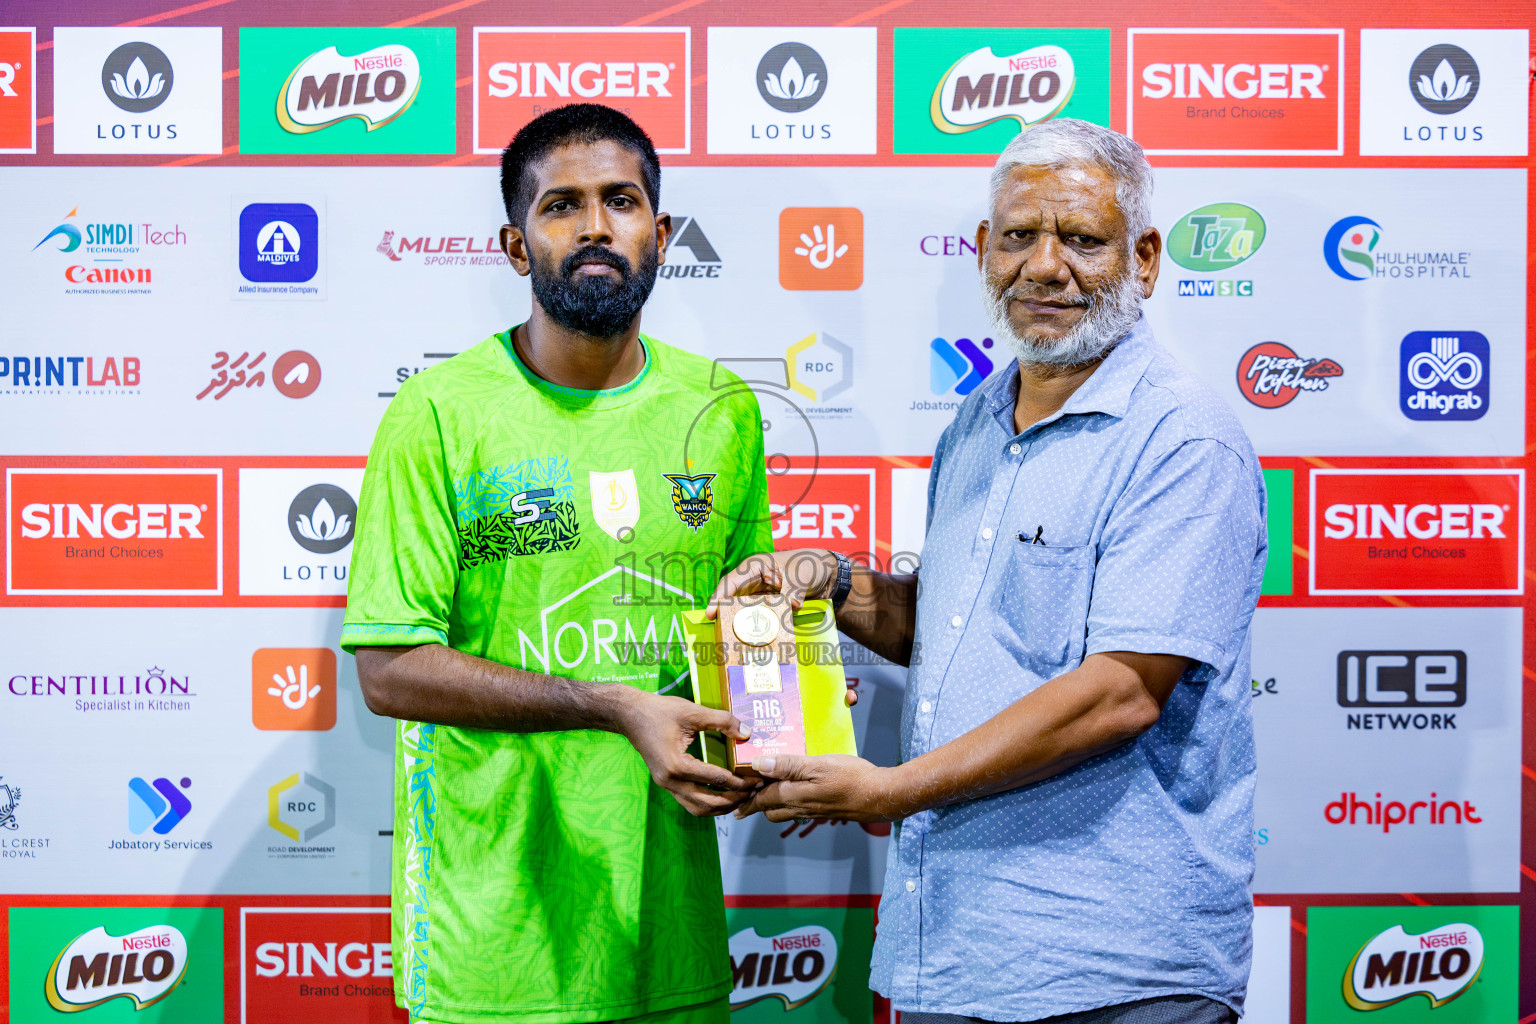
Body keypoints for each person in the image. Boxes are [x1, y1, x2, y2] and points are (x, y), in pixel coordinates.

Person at [712, 119, 1267, 1023]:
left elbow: (1122, 689)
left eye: (1083, 240)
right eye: (1019, 236)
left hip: (1114, 968)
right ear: (983, 251)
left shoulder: (1180, 437)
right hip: (957, 952)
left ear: (1146, 259)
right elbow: (957, 628)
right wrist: (831, 582)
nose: (1044, 267)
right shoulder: (973, 423)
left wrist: (889, 792)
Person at [340, 104, 771, 1024]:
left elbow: (738, 618)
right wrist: (613, 706)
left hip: (669, 936)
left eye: (620, 201)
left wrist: (782, 701)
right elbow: (388, 669)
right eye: (560, 205)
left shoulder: (721, 406)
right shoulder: (439, 412)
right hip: (491, 947)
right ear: (514, 242)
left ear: (659, 232)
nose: (593, 228)